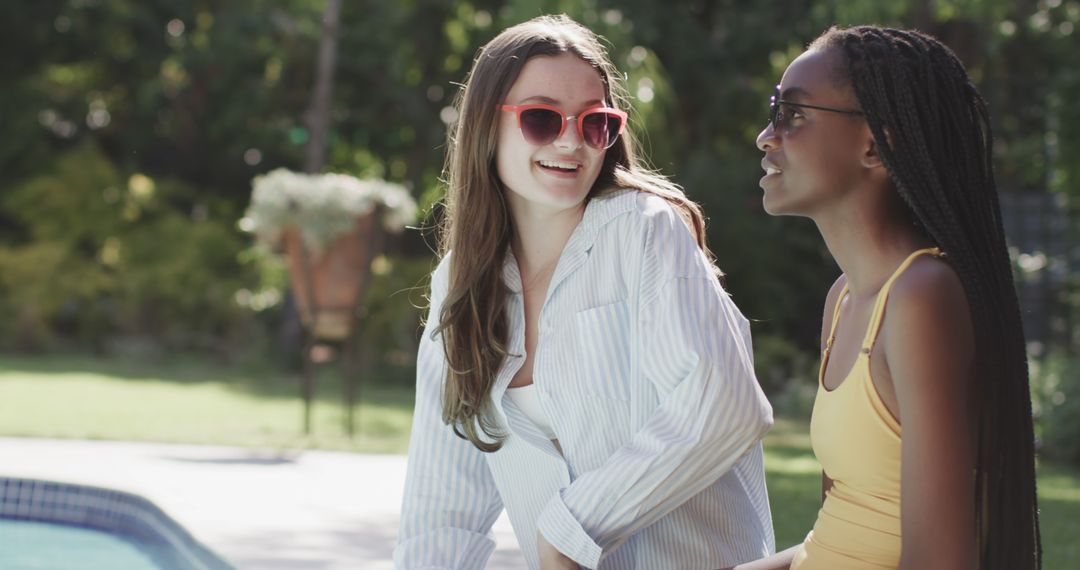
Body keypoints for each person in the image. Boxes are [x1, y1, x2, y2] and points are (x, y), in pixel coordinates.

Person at [394, 14, 775, 570]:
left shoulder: (643, 229)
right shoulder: (461, 283)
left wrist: (573, 529)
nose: (572, 141)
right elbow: (441, 509)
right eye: (542, 118)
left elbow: (726, 404)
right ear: (484, 127)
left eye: (595, 123)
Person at [737, 25, 1042, 570]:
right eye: (773, 111)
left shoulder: (922, 297)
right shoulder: (847, 298)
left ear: (876, 144)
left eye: (794, 115)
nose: (766, 135)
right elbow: (839, 535)